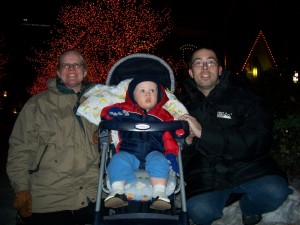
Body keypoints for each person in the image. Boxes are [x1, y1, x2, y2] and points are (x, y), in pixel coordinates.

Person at [178, 46, 293, 225]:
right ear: (191, 72)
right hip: (207, 175)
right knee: (200, 212)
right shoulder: (180, 107)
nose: (205, 67)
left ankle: (249, 207)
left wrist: (203, 133)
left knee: (276, 191)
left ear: (220, 70)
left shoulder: (246, 98)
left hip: (248, 168)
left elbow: (257, 141)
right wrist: (188, 142)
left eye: (211, 62)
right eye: (198, 63)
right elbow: (178, 158)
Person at [6, 50, 100, 225]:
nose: (71, 68)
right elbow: (20, 149)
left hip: (91, 196)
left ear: (85, 71)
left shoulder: (98, 102)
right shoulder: (38, 104)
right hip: (49, 198)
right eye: (65, 65)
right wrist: (22, 189)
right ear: (58, 72)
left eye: (77, 64)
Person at [100, 75, 179, 211]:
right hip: (128, 151)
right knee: (118, 160)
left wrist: (171, 154)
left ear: (159, 95)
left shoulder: (164, 115)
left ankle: (159, 193)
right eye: (142, 91)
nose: (148, 93)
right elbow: (105, 113)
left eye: (152, 91)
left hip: (154, 151)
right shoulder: (125, 110)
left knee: (160, 161)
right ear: (133, 96)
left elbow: (169, 138)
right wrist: (113, 113)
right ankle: (118, 192)